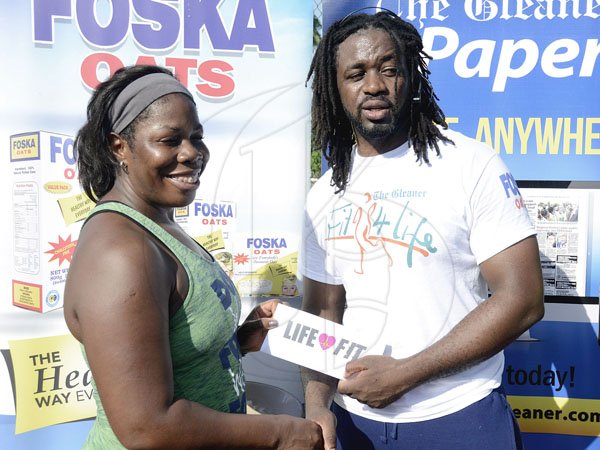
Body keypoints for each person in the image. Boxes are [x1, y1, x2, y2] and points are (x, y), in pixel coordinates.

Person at [299, 10, 544, 450]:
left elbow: (522, 300)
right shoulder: (325, 192)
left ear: (410, 77)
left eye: (388, 69)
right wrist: (317, 407)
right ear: (335, 89)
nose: (374, 85)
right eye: (356, 73)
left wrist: (406, 374)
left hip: (460, 418)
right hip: (356, 425)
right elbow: (324, 311)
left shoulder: (469, 164)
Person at [64, 64, 324, 450]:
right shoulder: (119, 252)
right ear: (120, 147)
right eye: (169, 140)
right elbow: (147, 427)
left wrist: (237, 341)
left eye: (196, 137)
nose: (191, 153)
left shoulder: (159, 221)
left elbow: (169, 345)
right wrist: (282, 433)